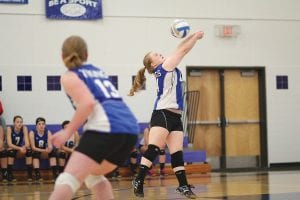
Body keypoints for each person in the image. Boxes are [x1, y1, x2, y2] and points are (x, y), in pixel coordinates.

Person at [49, 35, 139, 200]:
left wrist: (66, 132)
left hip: (106, 128)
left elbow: (87, 103)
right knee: (92, 175)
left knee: (67, 179)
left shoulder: (69, 76)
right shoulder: (98, 71)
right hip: (130, 130)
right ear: (87, 54)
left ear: (62, 56)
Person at [129, 30, 204, 199]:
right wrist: (196, 38)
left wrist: (191, 35)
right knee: (154, 149)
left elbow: (179, 48)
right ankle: (138, 180)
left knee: (177, 153)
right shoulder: (164, 67)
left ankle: (183, 186)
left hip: (175, 116)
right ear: (153, 64)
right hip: (162, 113)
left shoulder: (167, 66)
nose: (159, 53)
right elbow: (182, 50)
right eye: (155, 54)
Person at [29, 117, 58, 181]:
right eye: (39, 124)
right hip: (37, 150)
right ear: (36, 125)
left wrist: (49, 149)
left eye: (43, 124)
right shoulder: (32, 132)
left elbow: (50, 146)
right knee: (35, 154)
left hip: (44, 151)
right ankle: (37, 174)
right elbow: (33, 147)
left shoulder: (48, 132)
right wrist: (44, 150)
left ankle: (54, 174)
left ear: (45, 125)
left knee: (52, 152)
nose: (41, 125)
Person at [6, 115, 33, 182]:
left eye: (21, 122)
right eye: (17, 122)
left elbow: (27, 143)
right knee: (11, 152)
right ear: (14, 123)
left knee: (29, 151)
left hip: (19, 148)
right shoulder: (9, 129)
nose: (20, 123)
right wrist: (20, 148)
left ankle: (30, 174)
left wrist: (23, 147)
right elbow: (9, 144)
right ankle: (9, 174)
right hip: (11, 147)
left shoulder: (24, 128)